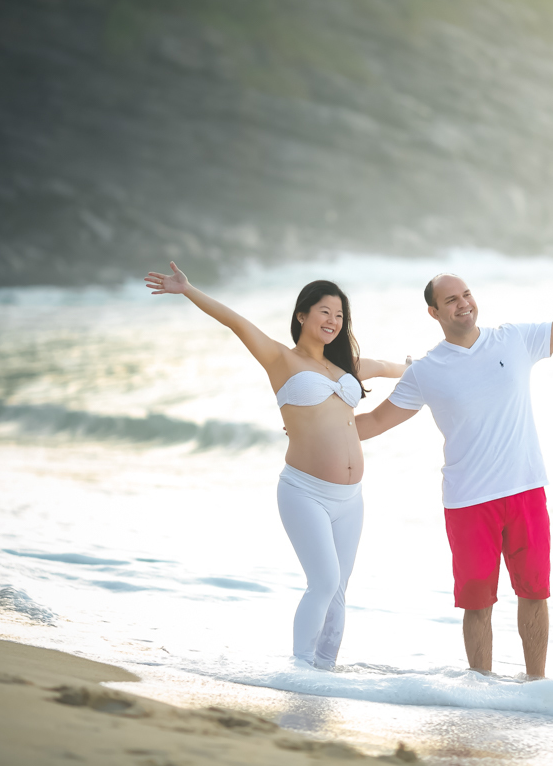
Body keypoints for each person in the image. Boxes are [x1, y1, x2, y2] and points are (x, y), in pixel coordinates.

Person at [355, 269, 553, 679]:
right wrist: (312, 428)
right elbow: (375, 422)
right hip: (467, 502)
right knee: (477, 604)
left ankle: (536, 687)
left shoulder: (513, 339)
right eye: (452, 300)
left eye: (467, 294)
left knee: (534, 593)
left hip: (525, 490)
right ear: (433, 311)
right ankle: (480, 689)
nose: (464, 304)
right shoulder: (426, 371)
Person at [145, 262, 409, 669]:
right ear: (302, 315)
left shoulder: (347, 367)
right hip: (304, 492)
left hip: (350, 499)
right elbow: (235, 321)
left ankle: (325, 672)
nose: (333, 321)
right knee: (322, 583)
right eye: (325, 311)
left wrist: (419, 369)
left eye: (340, 316)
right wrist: (188, 289)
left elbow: (396, 369)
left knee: (339, 590)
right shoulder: (280, 359)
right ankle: (301, 668)